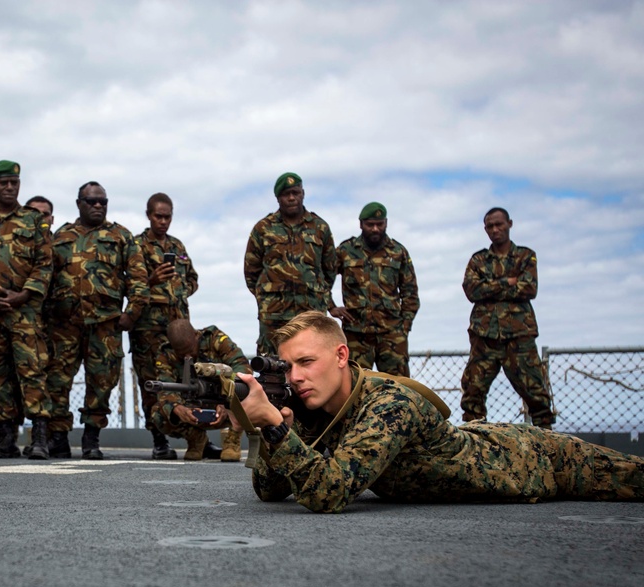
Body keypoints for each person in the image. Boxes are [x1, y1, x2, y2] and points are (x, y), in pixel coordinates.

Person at [237, 311, 644, 513]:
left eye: (306, 361)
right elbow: (270, 491)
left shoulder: (390, 403)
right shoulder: (315, 405)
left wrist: (274, 426)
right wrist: (273, 429)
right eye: (288, 366)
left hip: (533, 461)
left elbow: (330, 492)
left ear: (341, 355)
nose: (295, 376)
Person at [43, 181, 149, 459]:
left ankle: (92, 437)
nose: (98, 206)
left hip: (106, 325)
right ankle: (58, 437)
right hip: (64, 325)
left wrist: (132, 313)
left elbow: (138, 278)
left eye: (103, 201)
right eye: (92, 201)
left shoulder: (120, 236)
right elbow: (46, 277)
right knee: (57, 381)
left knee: (102, 382)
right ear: (79, 204)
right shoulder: (61, 236)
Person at [0, 161, 53, 459]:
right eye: (3, 182)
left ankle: (40, 436)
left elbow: (45, 262)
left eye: (14, 182)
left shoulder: (33, 221)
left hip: (24, 312)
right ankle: (4, 438)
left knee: (32, 372)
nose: (9, 187)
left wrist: (23, 295)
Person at [461, 207, 554, 428]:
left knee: (536, 394)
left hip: (519, 336)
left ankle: (548, 442)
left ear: (509, 224)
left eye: (499, 224)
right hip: (485, 337)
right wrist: (507, 282)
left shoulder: (525, 256)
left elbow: (529, 288)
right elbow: (472, 291)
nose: (495, 230)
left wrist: (489, 287)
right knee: (473, 393)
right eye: (490, 226)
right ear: (485, 229)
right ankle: (475, 441)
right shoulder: (479, 259)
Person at [129, 193, 198, 459]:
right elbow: (129, 286)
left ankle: (196, 437)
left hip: (178, 327)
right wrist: (152, 279)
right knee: (152, 384)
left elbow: (193, 278)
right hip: (148, 328)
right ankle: (159, 440)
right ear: (148, 215)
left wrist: (179, 292)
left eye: (168, 216)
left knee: (187, 381)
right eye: (158, 216)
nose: (163, 221)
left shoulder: (177, 245)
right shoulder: (136, 245)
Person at [244, 172, 337, 355]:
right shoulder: (263, 228)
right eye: (286, 194)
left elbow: (329, 270)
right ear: (278, 198)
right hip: (274, 315)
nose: (292, 198)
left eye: (295, 192)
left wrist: (315, 292)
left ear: (303, 193)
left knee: (313, 359)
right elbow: (251, 270)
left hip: (310, 313)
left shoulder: (320, 227)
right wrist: (267, 298)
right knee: (272, 367)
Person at [331, 202, 419, 377]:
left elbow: (410, 293)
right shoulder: (346, 251)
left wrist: (404, 327)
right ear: (361, 224)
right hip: (356, 334)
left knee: (399, 386)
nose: (375, 229)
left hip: (391, 334)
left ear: (386, 223)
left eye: (380, 224)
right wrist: (331, 306)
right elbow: (323, 278)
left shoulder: (398, 252)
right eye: (370, 224)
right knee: (354, 384)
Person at [151, 319, 247, 461]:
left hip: (224, 404)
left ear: (196, 336)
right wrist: (177, 408)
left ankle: (232, 439)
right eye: (181, 354)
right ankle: (196, 438)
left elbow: (243, 369)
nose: (187, 357)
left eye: (190, 350)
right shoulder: (166, 354)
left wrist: (226, 401)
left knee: (245, 393)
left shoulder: (216, 340)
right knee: (159, 412)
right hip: (193, 408)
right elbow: (165, 387)